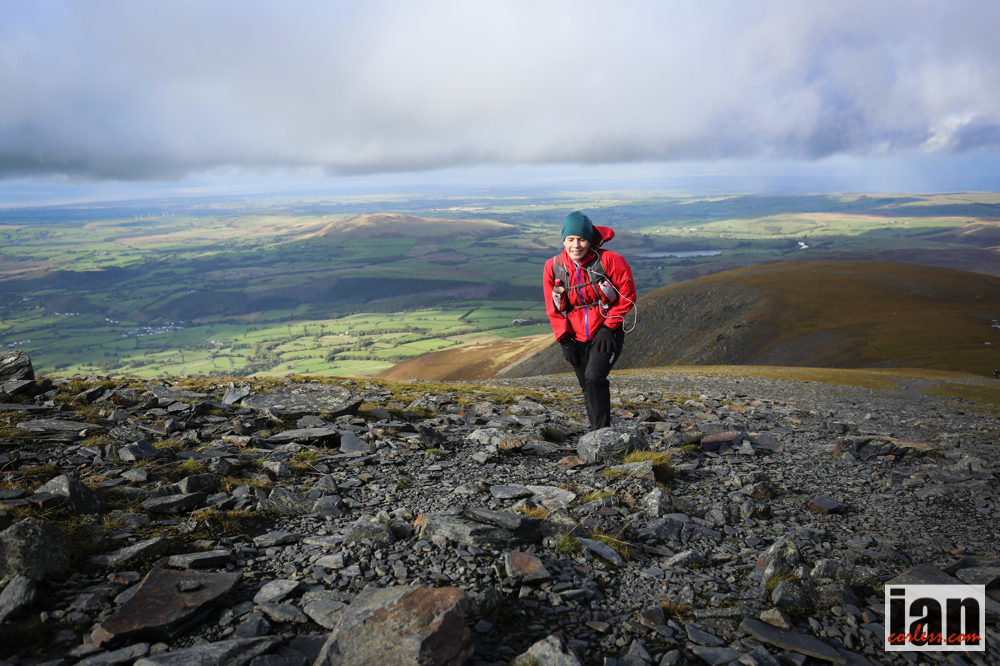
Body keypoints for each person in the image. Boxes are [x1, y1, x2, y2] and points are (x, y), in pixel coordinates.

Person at [544, 211, 636, 430]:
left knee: (594, 377)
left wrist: (608, 328)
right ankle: (597, 434)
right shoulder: (553, 266)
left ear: (589, 240)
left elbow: (627, 295)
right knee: (586, 385)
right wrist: (564, 340)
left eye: (581, 239)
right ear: (563, 240)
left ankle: (602, 433)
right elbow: (552, 308)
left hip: (606, 332)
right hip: (575, 337)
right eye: (570, 239)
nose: (576, 245)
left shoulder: (611, 260)